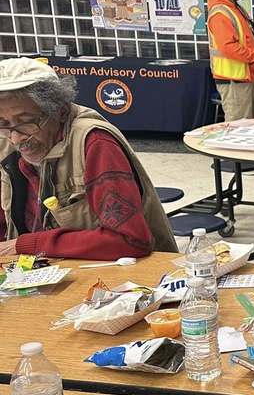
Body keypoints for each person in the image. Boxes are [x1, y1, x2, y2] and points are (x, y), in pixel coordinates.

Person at [0, 58, 177, 258]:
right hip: (37, 268)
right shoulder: (5, 142)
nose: (16, 138)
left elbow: (129, 240)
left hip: (121, 271)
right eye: (3, 123)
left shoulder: (95, 142)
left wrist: (26, 245)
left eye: (27, 122)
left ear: (60, 111)